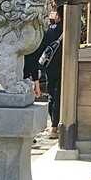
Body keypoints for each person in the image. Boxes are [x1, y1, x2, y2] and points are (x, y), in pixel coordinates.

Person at [37, 8, 64, 138]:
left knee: (52, 94)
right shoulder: (69, 29)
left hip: (50, 66)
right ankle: (56, 125)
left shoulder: (51, 30)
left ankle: (53, 126)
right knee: (60, 95)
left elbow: (42, 46)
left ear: (58, 15)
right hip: (65, 66)